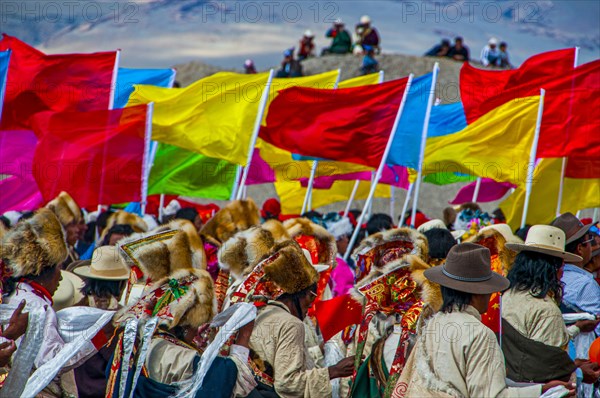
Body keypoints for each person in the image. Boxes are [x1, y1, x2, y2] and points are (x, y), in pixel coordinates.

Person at [394, 243, 575, 397]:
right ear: (476, 291)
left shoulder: (434, 322)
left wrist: (539, 389)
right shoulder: (479, 334)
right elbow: (492, 395)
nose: (491, 294)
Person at [2, 208, 108, 397]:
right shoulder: (37, 306)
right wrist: (99, 334)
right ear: (45, 270)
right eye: (60, 268)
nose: (61, 278)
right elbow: (52, 361)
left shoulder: (14, 293)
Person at [246, 240, 355, 397]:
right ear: (298, 294)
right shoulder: (292, 324)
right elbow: (287, 383)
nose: (311, 305)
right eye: (311, 296)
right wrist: (334, 371)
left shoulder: (260, 312)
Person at [502, 225, 600, 384]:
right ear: (551, 269)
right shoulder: (545, 309)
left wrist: (577, 328)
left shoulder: (508, 295)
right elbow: (547, 368)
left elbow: (534, 347)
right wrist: (579, 374)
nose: (563, 272)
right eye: (561, 265)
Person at [46, 191, 87, 268]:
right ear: (59, 227)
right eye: (71, 225)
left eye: (76, 224)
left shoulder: (71, 251)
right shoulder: (52, 258)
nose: (77, 230)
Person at [325, 216, 355, 297]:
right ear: (337, 241)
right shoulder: (338, 264)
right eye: (345, 236)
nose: (347, 240)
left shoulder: (326, 260)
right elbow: (345, 293)